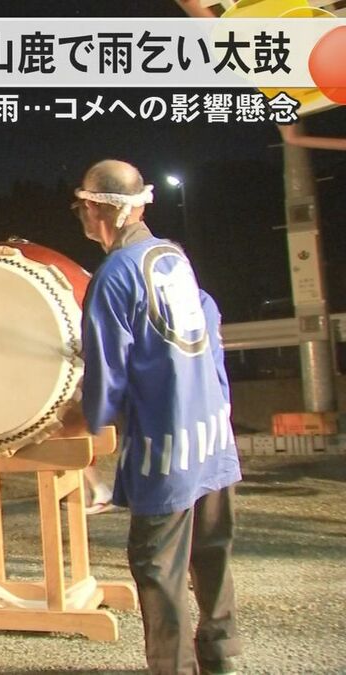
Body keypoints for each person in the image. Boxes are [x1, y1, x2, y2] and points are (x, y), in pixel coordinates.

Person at [76, 159, 242, 675]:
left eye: (81, 205)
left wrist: (86, 418)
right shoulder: (174, 257)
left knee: (158, 568)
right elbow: (210, 325)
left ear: (96, 209)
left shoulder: (114, 276)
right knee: (211, 555)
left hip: (167, 448)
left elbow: (108, 376)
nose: (79, 213)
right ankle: (222, 657)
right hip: (213, 434)